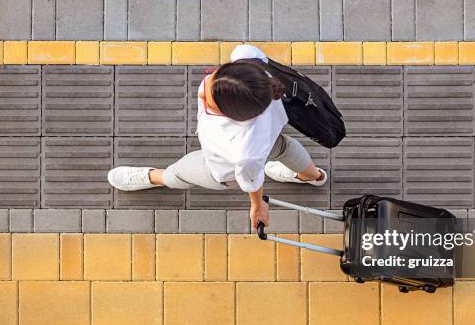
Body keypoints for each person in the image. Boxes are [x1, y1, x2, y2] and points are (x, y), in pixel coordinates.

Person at [107, 44, 327, 229]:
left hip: (223, 169)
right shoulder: (249, 62)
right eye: (215, 76)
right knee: (285, 148)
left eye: (211, 99)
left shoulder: (244, 152)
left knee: (181, 172)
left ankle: (153, 177)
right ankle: (314, 176)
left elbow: (250, 180)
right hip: (270, 139)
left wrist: (258, 206)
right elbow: (246, 51)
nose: (204, 90)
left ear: (234, 114)